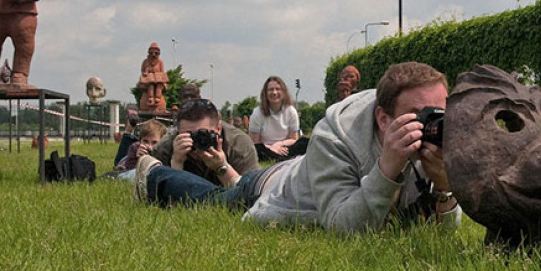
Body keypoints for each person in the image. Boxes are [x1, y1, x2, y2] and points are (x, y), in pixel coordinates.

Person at [135, 62, 461, 232]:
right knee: (214, 199)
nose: (431, 123)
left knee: (227, 184)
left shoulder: (429, 138)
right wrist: (388, 168)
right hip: (276, 187)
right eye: (417, 115)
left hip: (305, 170)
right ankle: (154, 176)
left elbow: (442, 234)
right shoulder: (335, 135)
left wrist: (445, 187)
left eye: (438, 113)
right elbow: (344, 227)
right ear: (383, 118)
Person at [148, 98, 260, 186]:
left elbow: (252, 194)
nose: (198, 142)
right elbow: (164, 199)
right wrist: (177, 164)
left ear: (219, 128)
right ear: (178, 131)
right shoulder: (165, 147)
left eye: (204, 134)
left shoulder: (239, 144)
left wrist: (221, 167)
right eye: (189, 135)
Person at [248, 76, 309, 161]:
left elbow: (294, 139)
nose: (274, 92)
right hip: (266, 149)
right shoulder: (257, 113)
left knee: (305, 142)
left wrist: (279, 144)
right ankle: (281, 158)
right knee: (256, 148)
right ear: (265, 93)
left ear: (283, 92)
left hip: (285, 148)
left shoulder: (291, 111)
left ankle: (281, 158)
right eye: (271, 89)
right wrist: (272, 148)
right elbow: (254, 142)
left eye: (277, 89)